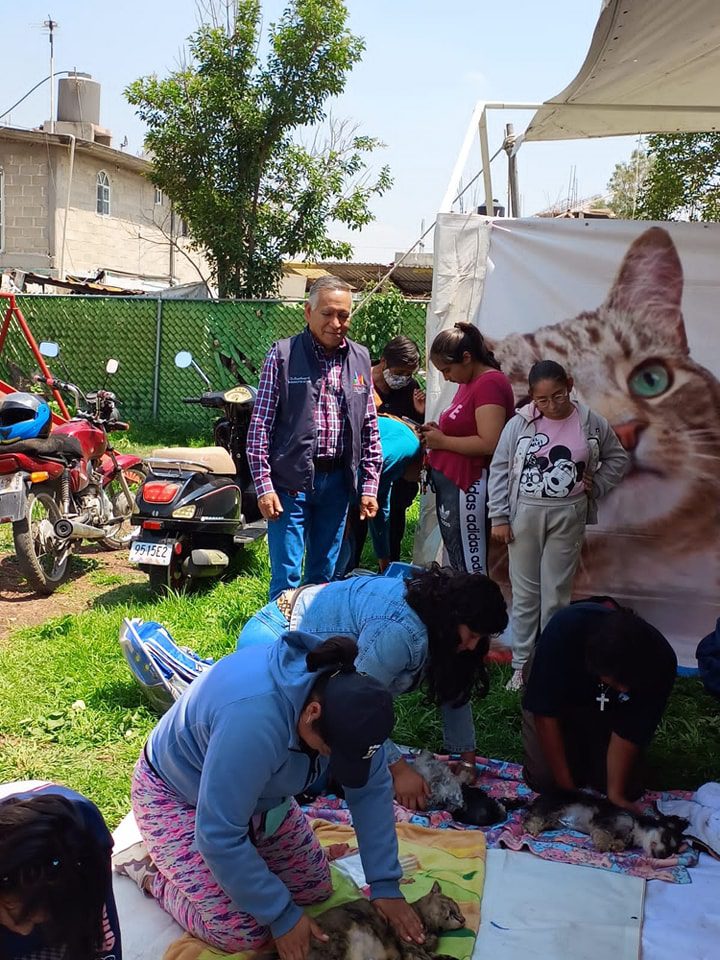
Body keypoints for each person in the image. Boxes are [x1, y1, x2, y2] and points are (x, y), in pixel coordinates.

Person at [119, 633, 424, 956]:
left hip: (259, 798)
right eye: (328, 752)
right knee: (243, 932)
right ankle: (155, 873)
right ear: (312, 713)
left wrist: (385, 885)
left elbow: (371, 789)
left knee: (315, 888)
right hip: (177, 797)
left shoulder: (353, 710)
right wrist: (281, 915)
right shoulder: (253, 723)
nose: (332, 761)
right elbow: (218, 834)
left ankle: (244, 855)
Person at [238, 565, 509, 809]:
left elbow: (454, 688)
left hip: (320, 670)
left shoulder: (440, 625)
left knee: (345, 767)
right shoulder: (401, 631)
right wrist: (399, 770)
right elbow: (356, 704)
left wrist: (466, 761)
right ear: (452, 618)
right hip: (275, 638)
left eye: (481, 637)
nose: (474, 645)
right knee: (301, 779)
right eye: (472, 635)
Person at [488, 360, 629, 691]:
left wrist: (600, 483)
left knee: (556, 594)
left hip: (569, 514)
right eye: (542, 400)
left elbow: (617, 458)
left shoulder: (590, 421)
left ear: (569, 384)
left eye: (558, 395)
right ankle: (521, 666)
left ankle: (551, 663)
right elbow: (500, 468)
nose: (552, 405)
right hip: (525, 514)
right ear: (532, 398)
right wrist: (499, 516)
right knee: (525, 594)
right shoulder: (519, 424)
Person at [247, 276, 382, 600]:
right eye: (328, 314)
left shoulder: (360, 359)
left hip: (337, 484)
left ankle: (311, 641)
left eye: (344, 315)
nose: (337, 323)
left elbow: (369, 427)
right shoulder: (283, 355)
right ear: (308, 313)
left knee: (323, 577)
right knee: (287, 579)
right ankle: (281, 645)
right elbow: (260, 425)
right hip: (289, 483)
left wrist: (369, 486)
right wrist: (264, 487)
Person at [521, 600, 677, 809]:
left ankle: (590, 744)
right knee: (545, 779)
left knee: (628, 788)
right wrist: (569, 793)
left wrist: (616, 795)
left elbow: (632, 728)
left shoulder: (661, 661)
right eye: (618, 681)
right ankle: (575, 742)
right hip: (559, 699)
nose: (623, 689)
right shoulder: (564, 630)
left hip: (610, 709)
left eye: (628, 683)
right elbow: (545, 714)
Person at [423, 322, 515, 576]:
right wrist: (439, 433)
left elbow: (490, 442)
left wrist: (443, 442)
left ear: (467, 358)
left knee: (472, 568)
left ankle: (475, 615)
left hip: (471, 484)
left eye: (447, 369)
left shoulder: (489, 384)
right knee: (459, 562)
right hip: (456, 486)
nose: (446, 377)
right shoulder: (468, 381)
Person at [0, 781, 121, 960]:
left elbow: (104, 944)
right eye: (10, 910)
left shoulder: (85, 851)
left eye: (33, 919)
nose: (24, 930)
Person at [335, 414, 422, 577]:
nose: (420, 481)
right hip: (333, 481)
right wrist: (342, 514)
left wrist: (385, 561)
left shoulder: (397, 465)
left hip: (339, 483)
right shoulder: (409, 446)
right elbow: (366, 469)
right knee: (339, 556)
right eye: (424, 478)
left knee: (344, 554)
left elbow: (379, 510)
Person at [370, 336, 426, 560]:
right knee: (356, 522)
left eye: (408, 374)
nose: (403, 379)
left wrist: (421, 412)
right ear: (383, 361)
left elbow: (416, 431)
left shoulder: (410, 388)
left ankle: (388, 564)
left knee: (393, 519)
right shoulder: (360, 380)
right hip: (370, 464)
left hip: (398, 469)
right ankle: (348, 573)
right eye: (399, 372)